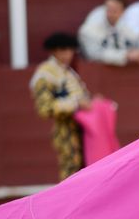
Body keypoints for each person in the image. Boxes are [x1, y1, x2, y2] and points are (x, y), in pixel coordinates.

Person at [30, 32, 93, 181]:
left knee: (85, 169)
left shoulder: (67, 72)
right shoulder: (45, 74)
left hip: (83, 127)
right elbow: (45, 108)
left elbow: (81, 97)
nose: (67, 54)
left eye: (70, 50)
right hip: (65, 129)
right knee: (71, 167)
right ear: (54, 51)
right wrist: (76, 104)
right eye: (63, 50)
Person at [79, 0, 139, 65]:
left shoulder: (126, 29)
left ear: (123, 12)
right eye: (108, 9)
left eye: (115, 10)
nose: (110, 14)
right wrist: (126, 55)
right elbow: (93, 54)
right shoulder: (89, 29)